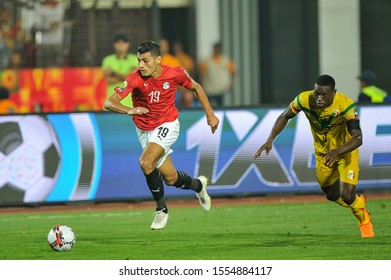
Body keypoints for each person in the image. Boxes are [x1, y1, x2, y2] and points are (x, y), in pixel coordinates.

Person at [104, 41, 219, 230]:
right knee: (171, 179)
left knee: (145, 162)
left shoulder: (175, 73)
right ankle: (199, 186)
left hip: (167, 124)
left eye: (145, 61)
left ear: (158, 60)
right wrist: (129, 110)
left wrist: (210, 113)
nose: (141, 65)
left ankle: (161, 209)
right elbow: (109, 103)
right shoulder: (135, 78)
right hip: (144, 130)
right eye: (139, 60)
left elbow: (196, 87)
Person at [253, 74, 374, 238]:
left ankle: (364, 220)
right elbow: (285, 116)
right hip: (323, 153)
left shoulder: (346, 105)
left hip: (345, 151)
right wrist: (270, 139)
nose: (319, 98)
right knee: (331, 194)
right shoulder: (304, 99)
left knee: (347, 195)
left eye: (324, 95)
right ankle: (359, 203)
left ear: (334, 92)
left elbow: (358, 137)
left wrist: (338, 150)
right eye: (317, 93)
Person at [102, 34, 138, 108]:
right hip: (111, 103)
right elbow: (109, 80)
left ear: (128, 44)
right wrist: (126, 76)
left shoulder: (135, 59)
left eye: (123, 43)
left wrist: (113, 73)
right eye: (118, 43)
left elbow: (133, 79)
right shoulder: (108, 60)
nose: (120, 45)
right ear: (114, 45)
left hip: (130, 103)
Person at [199, 41, 236, 107]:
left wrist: (231, 83)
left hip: (221, 88)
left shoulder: (226, 60)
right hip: (210, 88)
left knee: (221, 106)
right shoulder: (207, 60)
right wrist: (202, 85)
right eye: (216, 48)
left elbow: (233, 72)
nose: (217, 50)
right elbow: (202, 74)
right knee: (208, 106)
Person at [33, 0, 65, 67]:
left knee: (59, 68)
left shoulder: (60, 6)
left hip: (58, 42)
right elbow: (37, 26)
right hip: (45, 43)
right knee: (45, 68)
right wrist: (49, 26)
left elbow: (65, 22)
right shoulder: (39, 7)